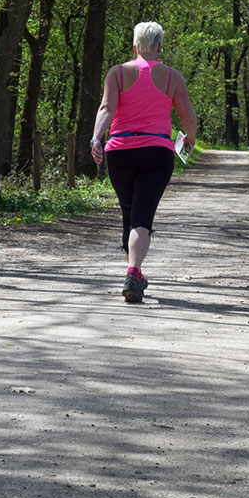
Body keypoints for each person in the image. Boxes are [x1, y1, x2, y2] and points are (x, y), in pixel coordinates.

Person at [91, 21, 198, 303]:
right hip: (157, 152)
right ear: (160, 47)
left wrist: (95, 139)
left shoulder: (118, 73)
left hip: (120, 151)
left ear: (134, 46)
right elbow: (187, 116)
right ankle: (134, 272)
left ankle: (133, 271)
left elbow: (106, 108)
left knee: (129, 212)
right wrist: (189, 138)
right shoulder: (173, 77)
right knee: (142, 217)